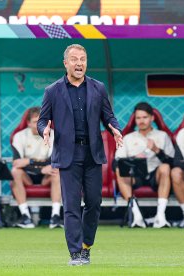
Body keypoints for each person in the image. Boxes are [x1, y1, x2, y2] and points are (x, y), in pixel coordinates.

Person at [37, 44, 122, 266]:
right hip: (67, 153)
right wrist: (44, 129)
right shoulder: (52, 90)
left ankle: (86, 246)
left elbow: (108, 116)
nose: (79, 63)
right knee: (72, 204)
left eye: (82, 59)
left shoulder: (98, 88)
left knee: (94, 203)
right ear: (65, 63)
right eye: (74, 59)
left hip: (92, 153)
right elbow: (42, 119)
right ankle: (75, 253)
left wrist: (115, 128)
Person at [115, 102, 175, 228]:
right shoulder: (128, 138)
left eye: (144, 117)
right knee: (119, 170)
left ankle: (160, 217)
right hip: (135, 175)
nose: (141, 121)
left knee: (165, 167)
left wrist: (156, 150)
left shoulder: (162, 136)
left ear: (152, 118)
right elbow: (116, 162)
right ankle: (137, 217)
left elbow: (172, 162)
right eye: (138, 118)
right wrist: (133, 159)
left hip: (155, 174)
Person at [11, 107, 61, 229]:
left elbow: (52, 161)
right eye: (35, 121)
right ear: (28, 123)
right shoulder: (19, 136)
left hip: (46, 176)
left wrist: (28, 161)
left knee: (57, 172)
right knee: (15, 172)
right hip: (27, 176)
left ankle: (55, 217)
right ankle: (25, 216)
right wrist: (38, 165)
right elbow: (17, 163)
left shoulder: (53, 134)